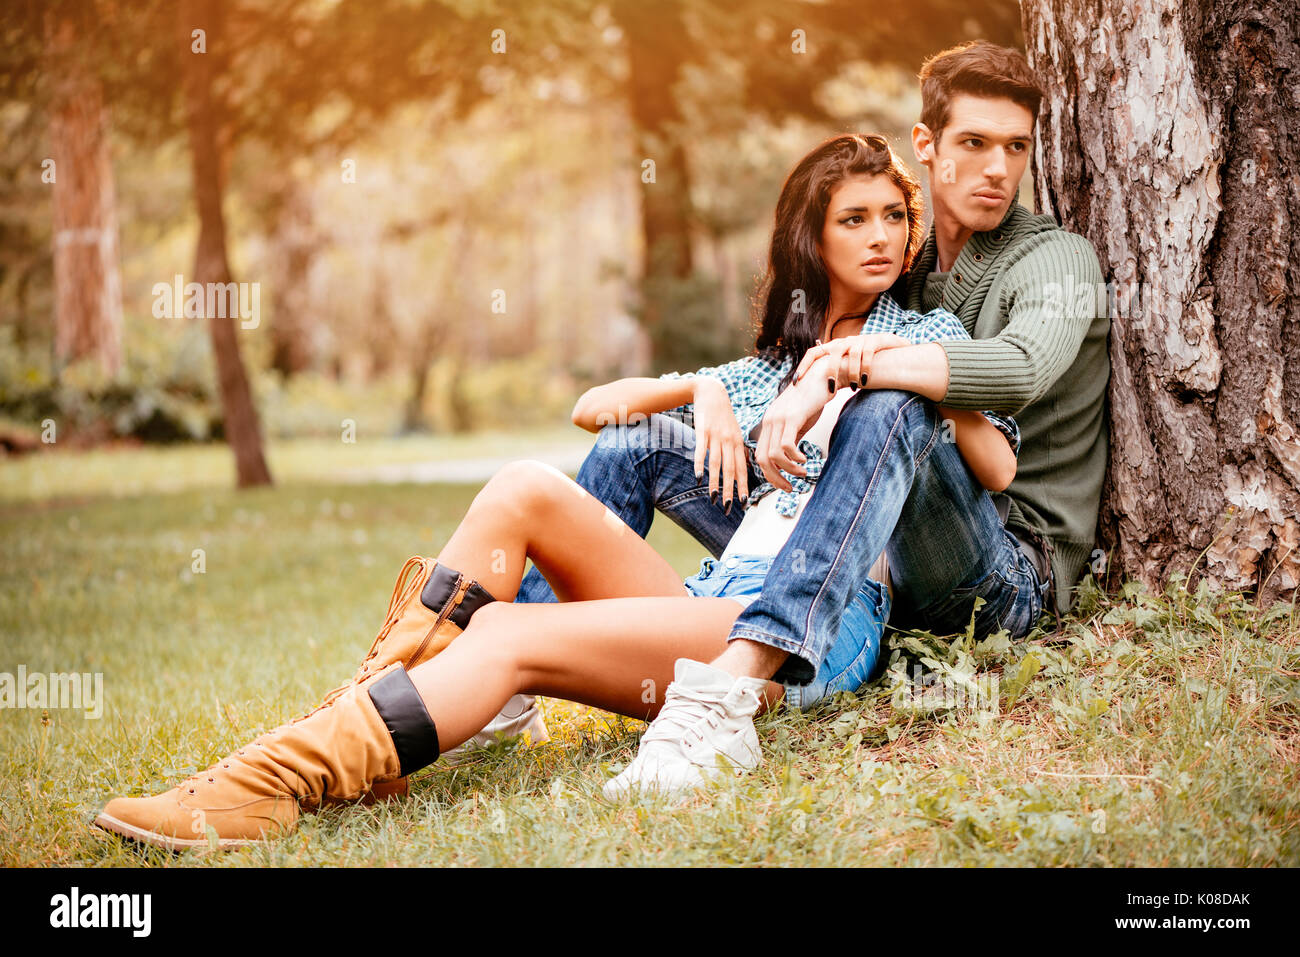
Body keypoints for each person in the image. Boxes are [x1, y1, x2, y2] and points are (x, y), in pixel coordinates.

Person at [93, 135, 1020, 849]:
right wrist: (702, 388)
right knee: (523, 486)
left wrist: (872, 363)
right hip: (714, 601)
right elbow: (601, 410)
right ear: (810, 235)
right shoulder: (770, 366)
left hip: (808, 630)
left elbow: (994, 464)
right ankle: (373, 716)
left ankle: (275, 781)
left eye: (891, 218)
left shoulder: (925, 333)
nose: (879, 237)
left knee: (510, 630)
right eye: (852, 218)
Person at [535, 41, 1111, 797]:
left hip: (1002, 559)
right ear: (928, 147)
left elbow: (1022, 369)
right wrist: (700, 389)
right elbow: (610, 407)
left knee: (889, 402)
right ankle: (524, 676)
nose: (998, 168)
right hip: (868, 538)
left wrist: (848, 365)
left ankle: (746, 672)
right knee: (637, 444)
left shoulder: (1050, 259)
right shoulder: (910, 275)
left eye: (1015, 147)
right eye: (975, 143)